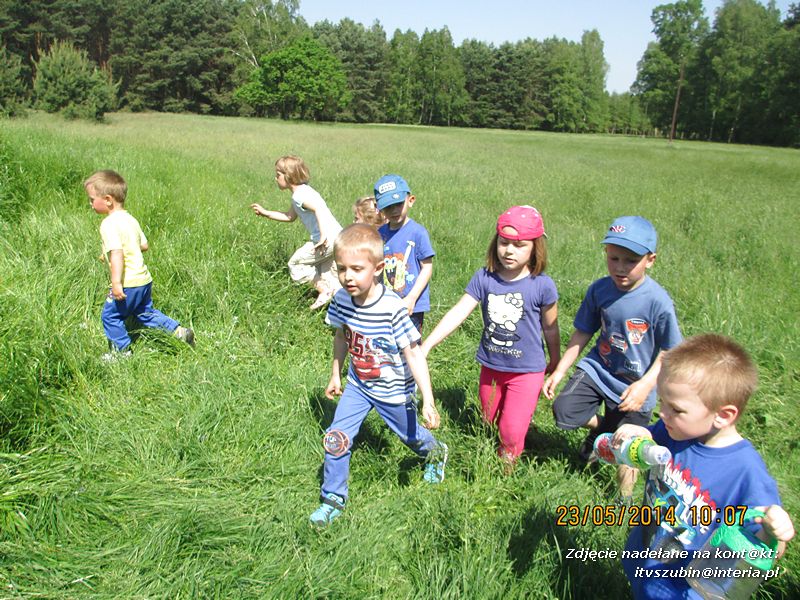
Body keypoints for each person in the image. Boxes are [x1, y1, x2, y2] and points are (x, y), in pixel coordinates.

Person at [615, 334, 794, 599]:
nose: (662, 413)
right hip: (646, 553)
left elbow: (767, 549)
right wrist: (637, 433)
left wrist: (772, 531)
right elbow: (646, 445)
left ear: (722, 415)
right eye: (662, 401)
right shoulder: (674, 430)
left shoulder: (745, 472)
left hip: (689, 585)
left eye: (675, 408)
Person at [310, 224, 448, 527]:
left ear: (378, 268)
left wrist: (428, 400)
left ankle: (435, 453)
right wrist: (336, 374)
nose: (348, 276)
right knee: (335, 437)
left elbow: (413, 352)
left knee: (410, 437)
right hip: (358, 385)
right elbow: (340, 336)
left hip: (393, 390)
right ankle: (332, 498)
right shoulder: (342, 299)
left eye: (357, 269)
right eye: (342, 268)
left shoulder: (392, 309)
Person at [543, 216, 682, 502]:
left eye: (630, 261)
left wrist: (645, 386)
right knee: (564, 409)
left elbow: (670, 352)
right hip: (599, 369)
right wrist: (559, 371)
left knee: (628, 447)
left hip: (637, 383)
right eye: (613, 258)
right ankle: (606, 430)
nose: (620, 267)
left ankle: (624, 499)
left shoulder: (658, 302)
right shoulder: (600, 290)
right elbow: (583, 332)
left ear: (650, 260)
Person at [422, 206, 560, 470]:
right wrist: (428, 344)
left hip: (527, 371)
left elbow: (551, 328)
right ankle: (504, 440)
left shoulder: (542, 285)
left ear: (535, 247)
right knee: (488, 419)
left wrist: (555, 361)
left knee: (509, 431)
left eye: (519, 245)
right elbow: (458, 312)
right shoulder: (484, 278)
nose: (509, 250)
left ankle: (505, 471)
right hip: (492, 367)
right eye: (504, 242)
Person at [85, 170, 194, 358]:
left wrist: (116, 283)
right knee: (145, 313)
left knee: (111, 316)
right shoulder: (130, 219)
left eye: (92, 199)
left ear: (108, 200)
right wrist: (107, 254)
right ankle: (179, 333)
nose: (90, 204)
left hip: (127, 283)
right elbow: (143, 245)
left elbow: (118, 253)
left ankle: (122, 353)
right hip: (144, 280)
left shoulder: (108, 224)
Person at [250, 155, 342, 310]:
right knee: (326, 271)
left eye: (278, 175)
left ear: (288, 176)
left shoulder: (299, 196)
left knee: (296, 263)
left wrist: (323, 235)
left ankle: (324, 290)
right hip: (338, 237)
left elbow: (318, 209)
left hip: (325, 239)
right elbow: (290, 216)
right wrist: (266, 213)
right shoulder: (304, 192)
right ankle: (339, 302)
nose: (275, 178)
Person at [374, 175, 434, 334]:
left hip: (411, 305)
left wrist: (412, 298)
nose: (394, 210)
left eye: (398, 204)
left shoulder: (418, 233)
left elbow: (427, 268)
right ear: (379, 209)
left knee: (410, 346)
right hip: (386, 302)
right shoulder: (380, 234)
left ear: (410, 200)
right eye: (388, 206)